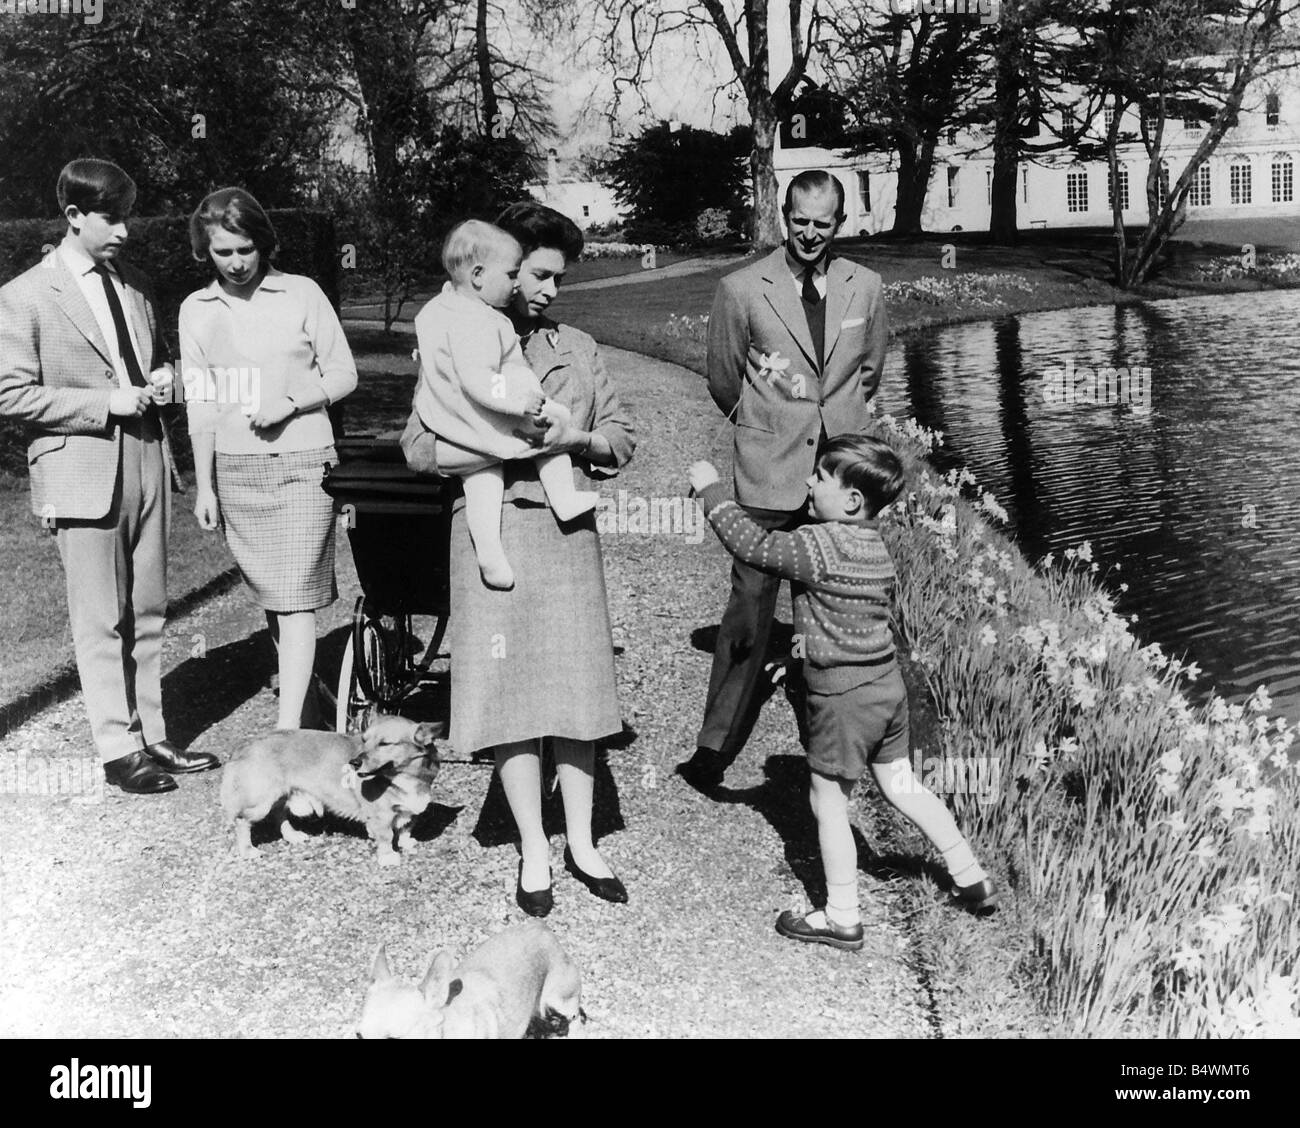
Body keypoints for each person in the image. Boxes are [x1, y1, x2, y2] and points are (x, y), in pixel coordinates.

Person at [402, 201, 635, 916]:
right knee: (510, 696)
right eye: (537, 275)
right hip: (491, 533)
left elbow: (621, 438)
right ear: (500, 269)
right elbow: (417, 447)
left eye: (558, 279)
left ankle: (584, 840)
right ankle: (534, 847)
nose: (549, 292)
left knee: (576, 690)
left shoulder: (579, 348)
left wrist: (573, 442)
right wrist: (503, 449)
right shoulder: (453, 335)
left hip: (564, 536)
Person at [689, 436, 998, 950]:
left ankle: (841, 915)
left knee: (828, 801)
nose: (809, 482)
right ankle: (969, 874)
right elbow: (845, 621)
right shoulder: (876, 546)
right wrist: (797, 660)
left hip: (844, 696)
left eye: (820, 477)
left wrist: (712, 493)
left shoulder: (819, 543)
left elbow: (755, 547)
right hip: (886, 687)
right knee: (902, 785)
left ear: (851, 500)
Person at [0, 158, 218, 793]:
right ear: (74, 217)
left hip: (148, 455)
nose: (125, 229)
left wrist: (164, 381)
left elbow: (150, 364)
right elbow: (10, 393)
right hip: (81, 465)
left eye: (129, 215)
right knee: (100, 615)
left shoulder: (139, 285)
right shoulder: (24, 296)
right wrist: (103, 404)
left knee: (149, 607)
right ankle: (117, 749)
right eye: (111, 217)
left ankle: (153, 735)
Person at [679, 168, 890, 794]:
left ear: (840, 223)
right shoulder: (742, 288)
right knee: (749, 612)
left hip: (840, 479)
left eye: (822, 224)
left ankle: (846, 745)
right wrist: (772, 428)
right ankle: (714, 747)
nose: (809, 233)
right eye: (799, 221)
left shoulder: (867, 287)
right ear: (783, 215)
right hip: (770, 472)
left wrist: (838, 433)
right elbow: (724, 379)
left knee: (841, 607)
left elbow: (869, 372)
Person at [180, 188, 357, 730]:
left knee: (296, 596)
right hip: (237, 472)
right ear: (205, 253)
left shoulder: (301, 293)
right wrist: (205, 486)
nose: (236, 263)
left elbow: (344, 374)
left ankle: (286, 737)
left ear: (264, 242)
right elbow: (201, 401)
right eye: (223, 253)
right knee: (275, 598)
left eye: (245, 249)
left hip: (304, 460)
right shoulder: (196, 309)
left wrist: (291, 402)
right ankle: (304, 713)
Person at [406, 219, 597, 591]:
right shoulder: (472, 322)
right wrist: (518, 400)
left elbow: (618, 438)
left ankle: (491, 551)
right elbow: (478, 380)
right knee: (548, 421)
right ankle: (561, 496)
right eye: (520, 274)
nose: (516, 285)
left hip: (463, 421)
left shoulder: (447, 310)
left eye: (559, 279)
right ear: (478, 275)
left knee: (483, 480)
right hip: (485, 412)